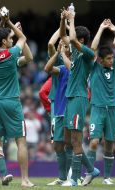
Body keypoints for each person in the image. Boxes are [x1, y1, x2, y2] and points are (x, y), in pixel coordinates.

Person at [0, 8, 34, 187]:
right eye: (9, 39)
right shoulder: (11, 54)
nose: (12, 41)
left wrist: (2, 26)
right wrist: (10, 23)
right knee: (20, 141)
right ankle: (25, 180)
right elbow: (23, 39)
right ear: (5, 41)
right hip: (12, 102)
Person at [60, 8, 100, 186]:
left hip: (79, 98)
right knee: (68, 140)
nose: (70, 40)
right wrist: (64, 21)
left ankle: (74, 179)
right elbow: (63, 36)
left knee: (76, 140)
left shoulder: (89, 55)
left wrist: (73, 19)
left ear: (81, 40)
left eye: (75, 38)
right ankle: (92, 170)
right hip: (70, 98)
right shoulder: (76, 55)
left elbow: (73, 39)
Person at [87, 18, 115, 185]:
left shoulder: (114, 66)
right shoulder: (94, 67)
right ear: (100, 60)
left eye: (112, 57)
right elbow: (93, 48)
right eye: (108, 58)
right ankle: (89, 172)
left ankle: (107, 178)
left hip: (112, 109)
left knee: (110, 144)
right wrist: (102, 29)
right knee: (94, 142)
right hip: (97, 108)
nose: (112, 60)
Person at [45, 38, 72, 185]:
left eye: (67, 46)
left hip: (70, 105)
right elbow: (50, 44)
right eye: (62, 46)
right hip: (57, 105)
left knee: (71, 142)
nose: (64, 48)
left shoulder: (76, 64)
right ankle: (63, 177)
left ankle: (73, 176)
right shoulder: (58, 63)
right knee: (57, 143)